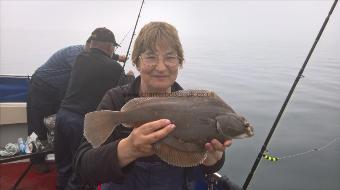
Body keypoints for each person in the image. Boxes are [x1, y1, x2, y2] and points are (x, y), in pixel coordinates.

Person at [74, 21, 232, 190]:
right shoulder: (116, 100)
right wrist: (129, 148)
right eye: (150, 57)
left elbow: (209, 164)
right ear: (137, 62)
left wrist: (213, 158)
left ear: (179, 62)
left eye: (170, 57)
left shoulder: (193, 106)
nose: (161, 67)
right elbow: (84, 167)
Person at [27, 37, 127, 173]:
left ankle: (61, 158)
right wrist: (113, 66)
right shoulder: (76, 54)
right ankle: (36, 160)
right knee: (37, 126)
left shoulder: (87, 53)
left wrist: (116, 57)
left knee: (56, 125)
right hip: (41, 87)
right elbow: (88, 69)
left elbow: (96, 57)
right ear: (88, 45)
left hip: (58, 91)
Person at [54, 27, 135, 190]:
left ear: (92, 43)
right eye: (114, 47)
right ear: (110, 46)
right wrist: (130, 77)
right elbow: (125, 94)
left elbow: (99, 57)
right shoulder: (114, 68)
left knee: (63, 168)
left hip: (62, 117)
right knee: (80, 174)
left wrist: (115, 57)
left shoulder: (80, 58)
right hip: (80, 122)